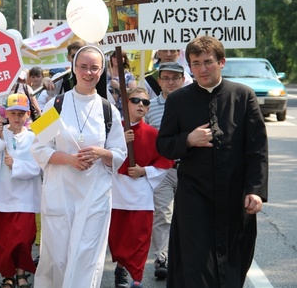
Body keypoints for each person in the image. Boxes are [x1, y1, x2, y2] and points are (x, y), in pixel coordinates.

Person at [156, 35, 269, 287]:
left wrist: (255, 190)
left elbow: (257, 149)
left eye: (208, 62)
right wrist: (188, 140)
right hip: (194, 197)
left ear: (221, 62)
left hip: (234, 195)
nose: (202, 69)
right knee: (196, 265)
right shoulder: (177, 100)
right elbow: (163, 145)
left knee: (234, 262)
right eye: (195, 63)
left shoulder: (243, 96)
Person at [31, 45, 127, 287]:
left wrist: (100, 152)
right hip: (60, 192)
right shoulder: (56, 105)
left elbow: (119, 153)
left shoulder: (108, 110)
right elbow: (37, 148)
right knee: (58, 258)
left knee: (87, 256)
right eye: (83, 67)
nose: (88, 72)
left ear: (101, 71)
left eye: (94, 68)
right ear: (73, 68)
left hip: (95, 194)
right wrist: (70, 160)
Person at [109, 87, 173, 288]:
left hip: (140, 193)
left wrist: (144, 171)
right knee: (118, 236)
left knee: (139, 237)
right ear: (126, 103)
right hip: (117, 191)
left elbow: (165, 162)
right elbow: (103, 157)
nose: (141, 105)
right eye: (136, 100)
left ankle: (137, 277)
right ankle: (121, 270)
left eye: (145, 102)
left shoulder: (153, 134)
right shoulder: (113, 129)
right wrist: (120, 141)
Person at [0, 94, 42, 288]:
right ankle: (8, 275)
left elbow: (37, 167)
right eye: (13, 113)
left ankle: (21, 272)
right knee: (2, 241)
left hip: (25, 198)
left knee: (23, 239)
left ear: (27, 115)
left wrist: (16, 164)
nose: (17, 118)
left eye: (21, 114)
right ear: (6, 114)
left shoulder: (33, 137)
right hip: (0, 197)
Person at [143, 62, 186, 279]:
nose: (170, 82)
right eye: (166, 78)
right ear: (159, 81)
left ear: (183, 79)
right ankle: (163, 257)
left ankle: (188, 257)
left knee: (190, 214)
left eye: (175, 78)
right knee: (163, 213)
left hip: (190, 168)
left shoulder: (193, 103)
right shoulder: (149, 106)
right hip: (162, 170)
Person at [107, 50, 137, 114]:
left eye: (120, 57)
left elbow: (134, 93)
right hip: (107, 108)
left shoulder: (128, 76)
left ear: (124, 59)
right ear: (111, 58)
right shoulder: (103, 75)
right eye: (115, 57)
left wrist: (119, 87)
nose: (117, 59)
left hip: (123, 111)